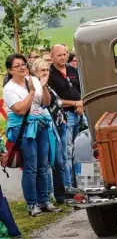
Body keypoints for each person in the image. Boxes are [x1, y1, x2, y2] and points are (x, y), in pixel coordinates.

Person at [3, 53, 61, 217]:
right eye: (17, 66)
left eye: (24, 64)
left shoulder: (33, 79)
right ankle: (32, 205)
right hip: (24, 128)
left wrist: (42, 87)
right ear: (10, 70)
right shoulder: (9, 89)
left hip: (41, 125)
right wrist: (32, 92)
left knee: (43, 165)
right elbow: (20, 109)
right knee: (30, 167)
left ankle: (45, 201)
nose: (22, 68)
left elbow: (46, 103)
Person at [48, 45, 86, 188]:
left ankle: (82, 183)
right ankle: (69, 187)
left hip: (79, 114)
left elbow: (81, 89)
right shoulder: (50, 74)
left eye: (65, 54)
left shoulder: (72, 69)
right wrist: (75, 103)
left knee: (81, 150)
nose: (63, 57)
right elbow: (54, 100)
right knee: (67, 153)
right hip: (64, 117)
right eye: (59, 55)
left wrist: (80, 104)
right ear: (51, 57)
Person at [31, 59, 66, 204]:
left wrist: (44, 86)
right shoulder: (31, 86)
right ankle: (45, 197)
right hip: (42, 126)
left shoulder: (46, 86)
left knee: (59, 161)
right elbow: (39, 104)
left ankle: (60, 195)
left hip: (54, 125)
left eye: (47, 70)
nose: (46, 73)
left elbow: (48, 101)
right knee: (45, 163)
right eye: (42, 70)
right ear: (35, 72)